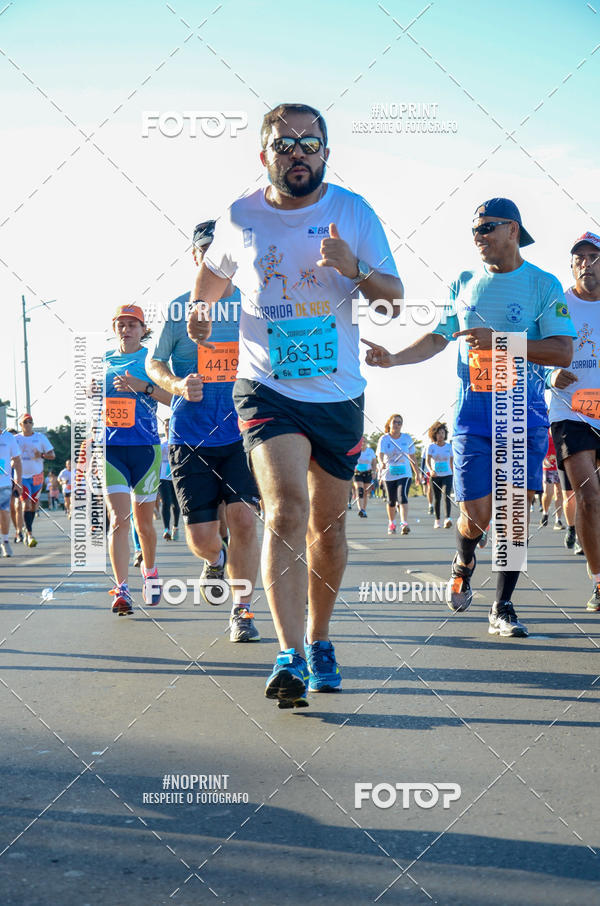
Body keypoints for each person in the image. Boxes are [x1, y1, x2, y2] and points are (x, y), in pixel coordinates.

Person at [187, 103, 403, 706]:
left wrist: (353, 269)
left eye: (310, 143)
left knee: (327, 532)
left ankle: (320, 637)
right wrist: (203, 311)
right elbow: (211, 274)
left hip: (337, 393)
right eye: (285, 144)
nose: (298, 153)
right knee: (284, 510)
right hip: (267, 389)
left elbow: (392, 299)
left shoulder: (353, 212)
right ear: (265, 156)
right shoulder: (240, 216)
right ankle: (288, 654)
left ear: (326, 154)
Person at [364, 197, 575, 638]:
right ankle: (463, 558)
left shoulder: (543, 284)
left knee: (515, 512)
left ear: (513, 230)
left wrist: (500, 341)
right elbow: (438, 339)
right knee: (476, 514)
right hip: (473, 416)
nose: (477, 237)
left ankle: (503, 605)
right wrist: (394, 359)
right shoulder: (463, 281)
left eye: (486, 228)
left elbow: (561, 350)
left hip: (523, 413)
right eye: (474, 229)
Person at [146, 221, 261, 643]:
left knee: (245, 519)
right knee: (201, 538)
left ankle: (242, 611)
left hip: (244, 432)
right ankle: (216, 560)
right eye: (206, 250)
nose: (214, 257)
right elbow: (153, 363)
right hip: (190, 435)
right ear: (196, 258)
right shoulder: (178, 311)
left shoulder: (253, 306)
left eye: (221, 250)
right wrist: (176, 385)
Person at [104, 304, 172, 615]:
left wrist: (141, 386)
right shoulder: (102, 361)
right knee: (119, 519)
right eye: (122, 324)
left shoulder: (151, 359)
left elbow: (172, 398)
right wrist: (93, 392)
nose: (127, 329)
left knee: (144, 523)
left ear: (143, 329)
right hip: (111, 449)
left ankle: (150, 571)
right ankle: (121, 589)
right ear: (114, 327)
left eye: (133, 324)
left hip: (145, 448)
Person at [548, 231, 600, 609]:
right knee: (589, 496)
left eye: (593, 257)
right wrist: (547, 375)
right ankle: (599, 582)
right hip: (572, 411)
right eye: (579, 258)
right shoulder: (556, 305)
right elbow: (527, 350)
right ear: (571, 265)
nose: (586, 263)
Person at [16, 414, 55, 547]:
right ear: (20, 425)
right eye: (25, 422)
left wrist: (42, 455)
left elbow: (52, 455)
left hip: (37, 476)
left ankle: (27, 528)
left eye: (30, 422)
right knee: (26, 504)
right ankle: (30, 534)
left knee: (33, 505)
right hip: (21, 477)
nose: (28, 424)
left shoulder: (40, 437)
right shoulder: (16, 439)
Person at [376, 414, 417, 535]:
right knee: (391, 501)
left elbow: (412, 457)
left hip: (404, 473)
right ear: (390, 424)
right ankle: (392, 523)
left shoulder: (407, 438)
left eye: (399, 423)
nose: (397, 425)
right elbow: (380, 454)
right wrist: (381, 462)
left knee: (402, 496)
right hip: (388, 473)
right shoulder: (384, 439)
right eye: (395, 422)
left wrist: (418, 474)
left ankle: (404, 523)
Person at [426, 421, 453, 528]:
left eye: (442, 433)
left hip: (447, 475)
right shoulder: (431, 447)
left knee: (446, 495)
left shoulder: (449, 446)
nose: (441, 435)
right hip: (435, 476)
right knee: (437, 498)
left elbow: (452, 461)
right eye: (438, 433)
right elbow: (427, 461)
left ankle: (448, 519)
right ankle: (437, 520)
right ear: (434, 435)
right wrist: (431, 470)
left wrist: (453, 473)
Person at [0, 429, 22, 556]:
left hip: (4, 483)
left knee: (4, 511)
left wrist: (18, 482)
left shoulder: (9, 438)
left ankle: (5, 541)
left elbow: (17, 460)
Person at [159, 418, 180, 541]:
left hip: (176, 476)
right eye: (165, 426)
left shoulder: (178, 441)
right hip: (163, 477)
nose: (167, 427)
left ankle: (175, 527)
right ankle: (166, 529)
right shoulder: (161, 443)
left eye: (169, 425)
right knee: (166, 502)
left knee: (175, 504)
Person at [539, 430, 564, 529]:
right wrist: (543, 459)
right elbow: (540, 446)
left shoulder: (561, 427)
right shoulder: (544, 430)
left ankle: (558, 520)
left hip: (560, 466)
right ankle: (545, 512)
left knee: (559, 493)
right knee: (547, 493)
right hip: (548, 467)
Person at [352, 436, 376, 517]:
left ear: (366, 443)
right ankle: (360, 509)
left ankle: (364, 510)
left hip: (368, 473)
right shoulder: (355, 451)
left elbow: (374, 462)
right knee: (360, 490)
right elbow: (351, 461)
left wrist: (374, 472)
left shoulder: (370, 451)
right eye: (361, 441)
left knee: (366, 493)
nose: (362, 443)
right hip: (358, 473)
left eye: (364, 441)